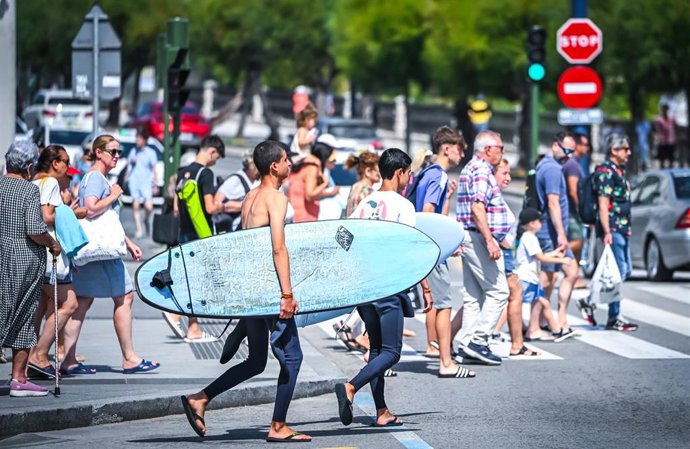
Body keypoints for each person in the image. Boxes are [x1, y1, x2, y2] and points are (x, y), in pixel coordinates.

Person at [181, 140, 311, 442]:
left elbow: (243, 246)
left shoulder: (251, 196)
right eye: (287, 159)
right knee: (292, 358)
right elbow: (278, 248)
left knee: (256, 361)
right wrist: (287, 295)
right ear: (274, 166)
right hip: (268, 289)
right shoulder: (275, 199)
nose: (291, 163)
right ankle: (278, 426)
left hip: (250, 289)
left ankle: (200, 398)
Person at [335, 148, 434, 427]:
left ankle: (382, 412)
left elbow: (343, 237)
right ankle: (350, 387)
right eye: (408, 173)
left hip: (366, 286)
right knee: (391, 352)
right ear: (400, 172)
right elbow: (412, 250)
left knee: (377, 350)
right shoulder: (403, 206)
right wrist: (425, 288)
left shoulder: (367, 203)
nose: (409, 178)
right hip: (388, 285)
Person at [61, 134, 159, 375]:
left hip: (95, 251)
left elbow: (106, 220)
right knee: (125, 297)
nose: (117, 156)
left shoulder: (94, 177)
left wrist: (127, 242)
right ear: (99, 153)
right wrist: (114, 195)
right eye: (113, 152)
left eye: (119, 153)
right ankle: (129, 358)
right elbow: (92, 209)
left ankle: (69, 359)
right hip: (103, 254)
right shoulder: (95, 178)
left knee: (82, 301)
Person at [412, 126, 474, 378]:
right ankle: (446, 362)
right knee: (444, 304)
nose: (461, 155)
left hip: (423, 244)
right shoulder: (438, 175)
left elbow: (435, 211)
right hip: (432, 248)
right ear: (446, 148)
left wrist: (448, 196)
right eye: (459, 149)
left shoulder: (427, 173)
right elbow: (429, 214)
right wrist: (442, 244)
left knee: (429, 302)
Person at [1, 141, 61, 397]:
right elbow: (35, 230)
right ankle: (18, 379)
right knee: (23, 314)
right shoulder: (28, 190)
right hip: (22, 260)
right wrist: (53, 244)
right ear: (28, 166)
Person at [164, 135, 226, 343]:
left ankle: (191, 324)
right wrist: (221, 206)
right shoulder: (205, 174)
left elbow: (175, 208)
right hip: (201, 235)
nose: (214, 162)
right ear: (212, 152)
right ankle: (185, 322)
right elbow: (209, 207)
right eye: (216, 158)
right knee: (199, 281)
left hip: (185, 232)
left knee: (190, 278)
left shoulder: (184, 172)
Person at [455, 130, 510, 365]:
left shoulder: (473, 167)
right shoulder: (480, 169)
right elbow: (478, 207)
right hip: (478, 237)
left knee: (474, 296)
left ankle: (465, 345)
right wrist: (490, 240)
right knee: (499, 291)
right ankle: (479, 341)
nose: (502, 152)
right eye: (500, 147)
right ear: (488, 149)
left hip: (471, 236)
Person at [26, 145, 80, 378]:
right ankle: (39, 354)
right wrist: (70, 212)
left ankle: (28, 355)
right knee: (69, 305)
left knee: (40, 305)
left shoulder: (32, 182)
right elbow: (47, 216)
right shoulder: (50, 183)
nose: (67, 166)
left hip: (34, 252)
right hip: (50, 253)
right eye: (65, 161)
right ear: (54, 163)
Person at [580, 134, 639, 332]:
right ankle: (614, 316)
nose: (628, 152)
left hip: (622, 227)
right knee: (617, 273)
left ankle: (589, 301)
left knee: (625, 270)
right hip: (613, 228)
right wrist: (606, 231)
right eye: (625, 149)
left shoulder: (618, 171)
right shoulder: (605, 172)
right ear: (614, 150)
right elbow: (603, 205)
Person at [490, 159, 540, 357]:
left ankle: (517, 343)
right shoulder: (491, 196)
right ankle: (515, 344)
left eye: (509, 173)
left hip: (503, 251)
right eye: (504, 173)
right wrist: (501, 241)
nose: (508, 178)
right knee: (508, 293)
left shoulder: (496, 195)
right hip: (501, 251)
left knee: (507, 294)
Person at [534, 131, 580, 339]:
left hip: (550, 230)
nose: (569, 155)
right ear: (555, 145)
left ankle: (553, 320)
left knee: (559, 275)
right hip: (550, 232)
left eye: (572, 152)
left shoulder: (546, 165)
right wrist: (561, 234)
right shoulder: (552, 169)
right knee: (549, 278)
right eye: (566, 150)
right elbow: (553, 202)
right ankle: (541, 324)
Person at [516, 208, 578, 342]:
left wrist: (555, 252)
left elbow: (539, 256)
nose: (541, 223)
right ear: (531, 224)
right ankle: (557, 331)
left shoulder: (530, 237)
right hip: (526, 278)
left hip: (530, 278)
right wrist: (562, 260)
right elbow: (541, 258)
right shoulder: (529, 238)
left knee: (543, 302)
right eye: (538, 221)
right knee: (516, 303)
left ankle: (554, 331)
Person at [285, 142, 340, 222]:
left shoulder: (303, 164)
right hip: (303, 218)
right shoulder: (312, 168)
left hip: (298, 216)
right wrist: (325, 184)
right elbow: (310, 195)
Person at [562, 132, 588, 277]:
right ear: (577, 146)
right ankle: (554, 257)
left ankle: (574, 276)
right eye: (585, 145)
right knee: (576, 241)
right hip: (572, 211)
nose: (587, 148)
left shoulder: (574, 163)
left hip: (571, 211)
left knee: (579, 242)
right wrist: (581, 208)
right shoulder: (572, 165)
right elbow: (573, 190)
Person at [213, 151, 258, 233]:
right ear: (248, 166)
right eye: (255, 166)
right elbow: (216, 203)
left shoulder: (257, 180)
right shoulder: (235, 180)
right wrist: (243, 205)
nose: (258, 169)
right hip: (233, 230)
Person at [127, 130, 158, 239]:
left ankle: (146, 219)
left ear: (144, 140)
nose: (137, 141)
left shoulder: (151, 152)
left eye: (139, 139)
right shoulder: (133, 151)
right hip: (134, 180)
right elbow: (128, 165)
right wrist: (132, 161)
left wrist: (155, 184)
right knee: (135, 205)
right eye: (136, 138)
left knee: (148, 206)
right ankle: (139, 229)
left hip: (146, 182)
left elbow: (154, 169)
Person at [345, 151, 380, 217]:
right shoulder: (368, 191)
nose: (380, 174)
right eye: (378, 170)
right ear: (368, 171)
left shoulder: (355, 186)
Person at [654, 104, 676, 169]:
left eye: (666, 109)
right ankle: (662, 170)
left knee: (671, 158)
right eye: (664, 109)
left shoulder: (672, 119)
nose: (665, 110)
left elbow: (675, 128)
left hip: (670, 141)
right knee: (662, 159)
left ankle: (671, 170)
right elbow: (657, 129)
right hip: (662, 141)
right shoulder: (659, 119)